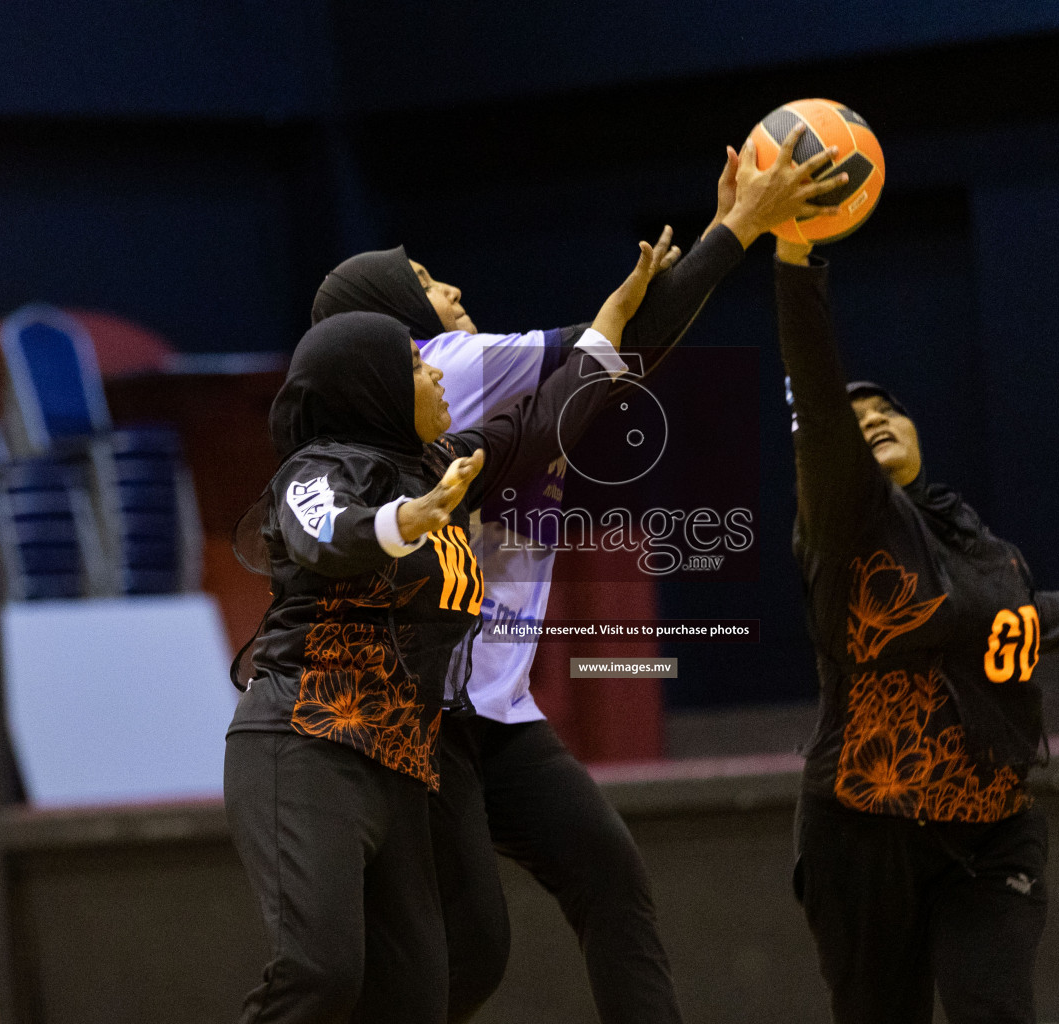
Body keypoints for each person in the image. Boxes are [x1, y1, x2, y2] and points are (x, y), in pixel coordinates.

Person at [306, 129, 848, 1024]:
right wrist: (741, 228)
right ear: (391, 315)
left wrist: (729, 225)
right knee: (475, 946)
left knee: (609, 881)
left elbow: (616, 365)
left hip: (495, 713)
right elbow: (629, 338)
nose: (454, 290)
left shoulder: (462, 380)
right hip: (426, 719)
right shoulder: (447, 368)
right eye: (429, 281)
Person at [222, 232, 679, 1024]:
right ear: (375, 387)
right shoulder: (316, 472)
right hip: (304, 743)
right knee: (320, 972)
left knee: (429, 989)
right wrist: (405, 521)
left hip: (401, 759)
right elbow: (326, 533)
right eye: (414, 365)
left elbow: (543, 417)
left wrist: (620, 313)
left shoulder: (449, 469)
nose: (436, 368)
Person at [771, 233, 1059, 1024]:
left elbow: (1035, 622)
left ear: (916, 434)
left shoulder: (981, 544)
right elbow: (813, 373)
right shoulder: (841, 521)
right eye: (854, 415)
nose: (871, 419)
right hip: (868, 830)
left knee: (995, 1008)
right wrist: (797, 262)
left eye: (888, 411)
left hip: (990, 829)